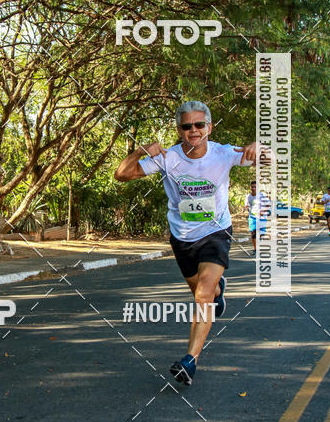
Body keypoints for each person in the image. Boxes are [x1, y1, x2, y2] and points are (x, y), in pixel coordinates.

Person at [114, 100, 266, 385]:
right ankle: (219, 290)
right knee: (201, 291)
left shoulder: (224, 153)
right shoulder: (167, 157)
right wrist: (141, 150)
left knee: (202, 297)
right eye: (187, 126)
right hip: (182, 237)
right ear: (179, 130)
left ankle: (190, 360)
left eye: (199, 124)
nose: (193, 130)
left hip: (215, 232)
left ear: (209, 127)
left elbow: (270, 159)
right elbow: (121, 174)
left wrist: (260, 146)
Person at [244, 180, 271, 255]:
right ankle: (255, 249)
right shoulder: (248, 196)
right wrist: (245, 208)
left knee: (261, 234)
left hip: (261, 217)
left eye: (255, 187)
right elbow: (246, 205)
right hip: (252, 217)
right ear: (250, 187)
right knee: (253, 233)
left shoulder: (262, 196)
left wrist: (263, 211)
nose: (253, 188)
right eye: (252, 187)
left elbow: (268, 205)